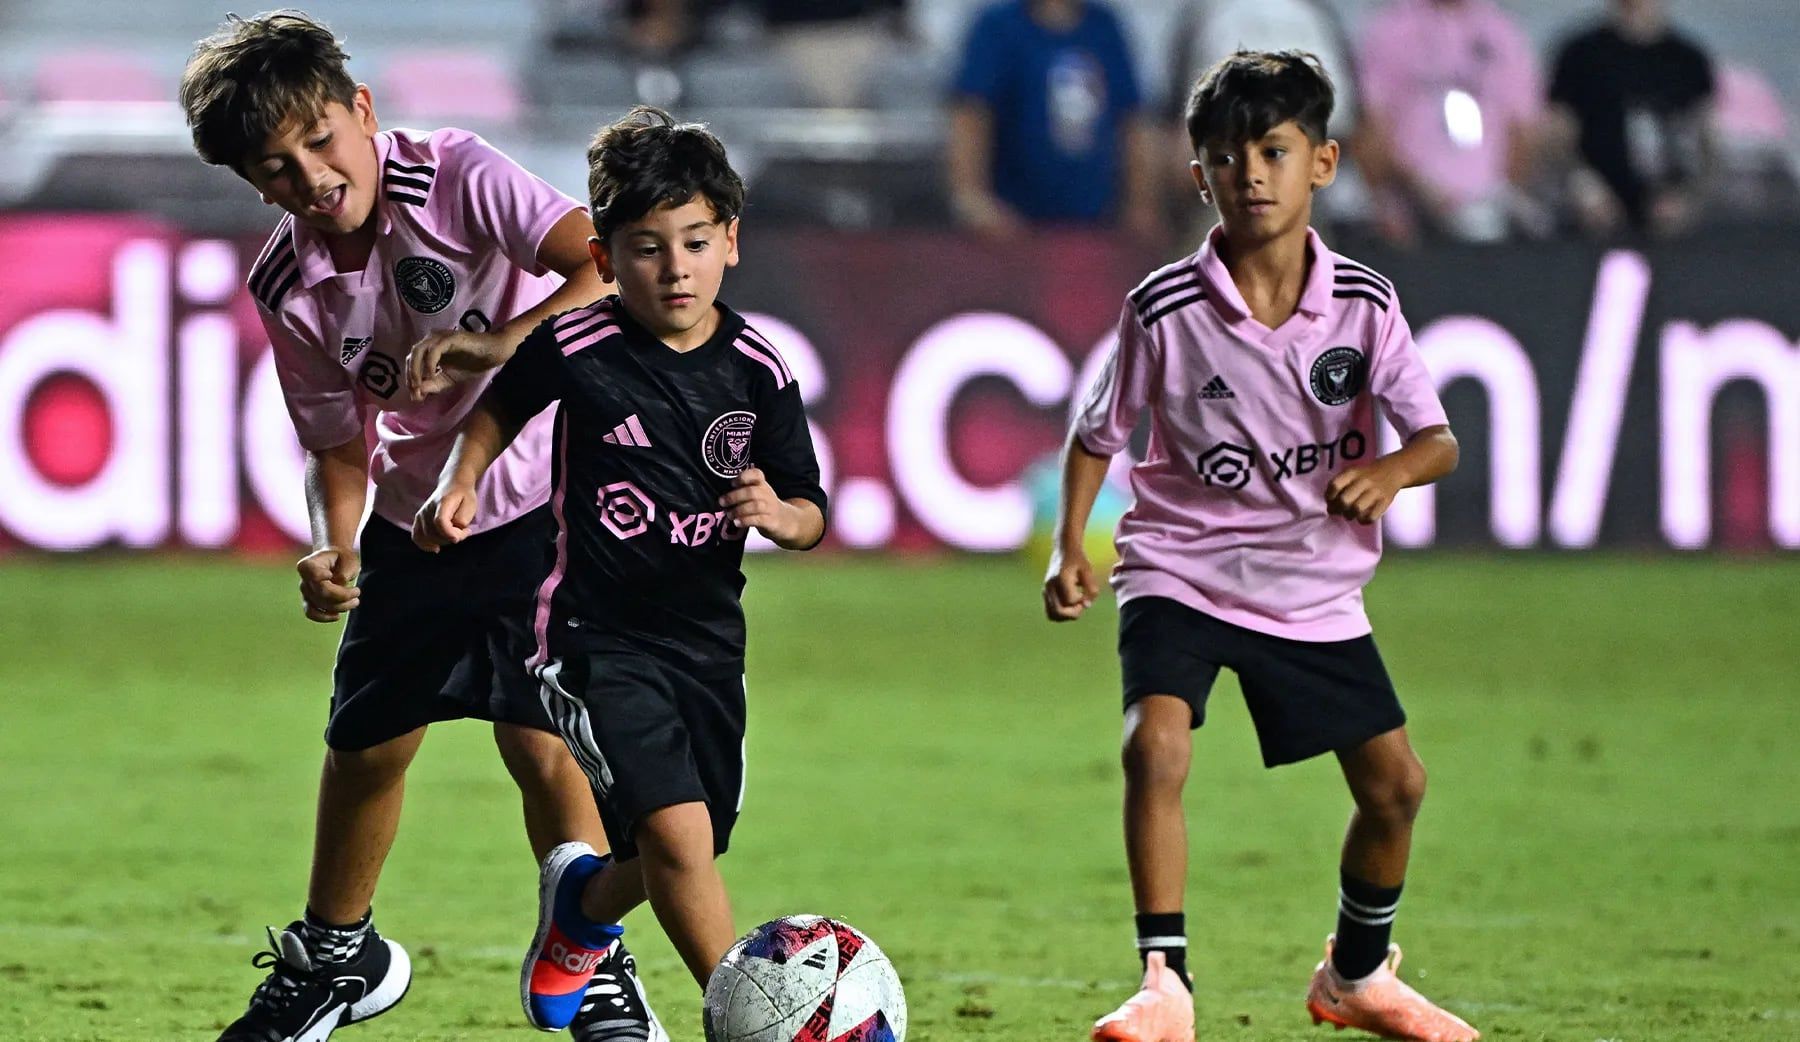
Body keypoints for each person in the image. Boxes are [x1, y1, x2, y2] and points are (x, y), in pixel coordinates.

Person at [177, 12, 657, 1042]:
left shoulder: (457, 172)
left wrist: (504, 347)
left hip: (545, 489)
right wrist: (334, 539)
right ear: (253, 185)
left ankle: (595, 973)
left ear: (362, 111)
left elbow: (605, 264)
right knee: (366, 747)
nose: (310, 175)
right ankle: (340, 959)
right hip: (415, 514)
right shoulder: (287, 284)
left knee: (545, 745)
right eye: (278, 166)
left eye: (320, 140)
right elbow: (337, 443)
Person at [1043, 50, 1478, 1042]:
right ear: (1199, 175)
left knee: (1397, 788)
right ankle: (1165, 984)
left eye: (1274, 150)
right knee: (1154, 746)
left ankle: (1356, 975)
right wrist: (1071, 545)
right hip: (1180, 566)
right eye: (1228, 155)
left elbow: (1438, 438)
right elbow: (1096, 433)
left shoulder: (1365, 304)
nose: (1252, 172)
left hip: (1309, 584)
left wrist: (1392, 473)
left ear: (1321, 162)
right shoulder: (1164, 308)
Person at [412, 106, 828, 1032]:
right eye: (645, 248)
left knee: (700, 835)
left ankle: (582, 912)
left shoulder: (760, 369)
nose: (673, 268)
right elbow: (495, 409)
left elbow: (810, 507)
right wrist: (460, 481)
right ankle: (755, 1018)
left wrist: (780, 516)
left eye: (692, 242)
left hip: (710, 641)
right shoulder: (578, 346)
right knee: (679, 836)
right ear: (605, 254)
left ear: (730, 241)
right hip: (597, 634)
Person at [947, 0, 1160, 240]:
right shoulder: (997, 27)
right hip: (1015, 229)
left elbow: (1132, 123)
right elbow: (971, 115)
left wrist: (1140, 203)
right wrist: (973, 198)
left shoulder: (1104, 27)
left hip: (1095, 226)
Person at [1355, 0, 1542, 244]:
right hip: (1411, 203)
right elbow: (1373, 128)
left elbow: (1522, 127)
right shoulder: (1393, 28)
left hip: (1490, 207)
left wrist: (1499, 192)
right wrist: (1411, 189)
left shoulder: (1500, 30)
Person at [1546, 0, 1715, 238]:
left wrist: (1686, 198)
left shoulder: (1689, 60)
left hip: (1669, 228)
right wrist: (1584, 188)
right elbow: (1556, 137)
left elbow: (1706, 145)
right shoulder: (1581, 54)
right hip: (1592, 226)